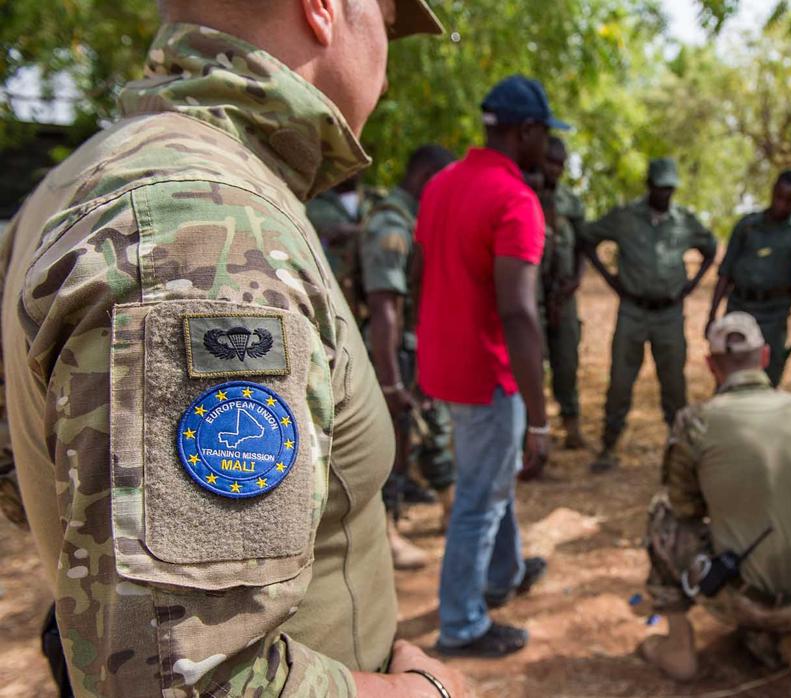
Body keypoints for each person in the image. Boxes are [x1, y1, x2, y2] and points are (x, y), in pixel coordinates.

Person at [0, 0, 468, 696]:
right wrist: (426, 694)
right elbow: (182, 678)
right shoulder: (208, 222)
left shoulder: (76, 179)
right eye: (388, 20)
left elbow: (24, 474)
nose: (389, 64)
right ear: (324, 8)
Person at [414, 75, 567, 658]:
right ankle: (462, 623)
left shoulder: (441, 184)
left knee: (491, 479)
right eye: (544, 132)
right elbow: (519, 313)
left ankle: (503, 577)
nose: (547, 144)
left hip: (444, 366)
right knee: (479, 498)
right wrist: (541, 416)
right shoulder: (516, 201)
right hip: (487, 373)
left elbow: (429, 273)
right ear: (525, 131)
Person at [639, 312, 791, 698]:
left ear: (711, 366)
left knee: (663, 513)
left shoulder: (697, 423)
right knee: (759, 630)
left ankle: (677, 645)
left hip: (740, 595)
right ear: (764, 356)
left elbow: (686, 509)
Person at [581, 157, 718, 473]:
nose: (665, 195)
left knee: (674, 384)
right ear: (649, 187)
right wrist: (611, 279)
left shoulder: (684, 220)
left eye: (670, 189)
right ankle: (608, 447)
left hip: (669, 314)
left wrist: (690, 286)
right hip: (633, 311)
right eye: (660, 189)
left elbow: (710, 249)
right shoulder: (625, 217)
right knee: (620, 381)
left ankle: (679, 454)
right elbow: (588, 238)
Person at [360, 144, 456, 570]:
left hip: (414, 349)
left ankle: (452, 511)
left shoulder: (415, 219)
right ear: (427, 179)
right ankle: (388, 535)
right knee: (387, 444)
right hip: (388, 355)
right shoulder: (391, 224)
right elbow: (384, 308)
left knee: (433, 425)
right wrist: (392, 380)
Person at [706, 169, 791, 387]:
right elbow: (725, 273)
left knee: (768, 378)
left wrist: (788, 286)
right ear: (773, 190)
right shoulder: (747, 226)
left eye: (789, 200)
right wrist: (712, 316)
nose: (781, 204)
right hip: (740, 307)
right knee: (728, 376)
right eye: (778, 196)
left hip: (774, 315)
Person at [540, 137, 589, 448]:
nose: (555, 170)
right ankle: (532, 431)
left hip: (565, 295)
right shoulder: (523, 195)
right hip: (531, 296)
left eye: (560, 164)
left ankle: (571, 424)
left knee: (567, 360)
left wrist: (576, 280)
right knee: (531, 362)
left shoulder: (571, 202)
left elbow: (583, 246)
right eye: (550, 162)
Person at [307, 176, 366, 314]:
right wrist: (366, 230)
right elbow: (332, 230)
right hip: (333, 287)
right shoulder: (317, 202)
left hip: (363, 292)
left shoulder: (372, 198)